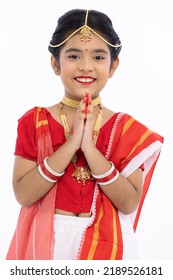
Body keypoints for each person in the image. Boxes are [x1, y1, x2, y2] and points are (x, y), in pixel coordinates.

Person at [6, 9, 163, 260]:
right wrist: (71, 144)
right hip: (45, 245)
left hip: (107, 247)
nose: (86, 66)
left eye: (99, 57)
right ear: (56, 63)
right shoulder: (34, 122)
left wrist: (89, 147)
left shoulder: (127, 130)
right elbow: (23, 194)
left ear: (113, 66)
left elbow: (129, 202)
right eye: (74, 55)